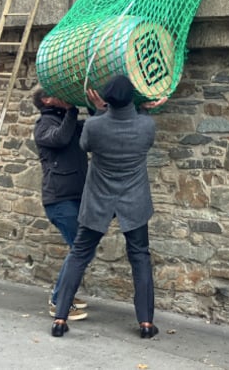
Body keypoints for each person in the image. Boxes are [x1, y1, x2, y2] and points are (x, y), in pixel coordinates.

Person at [50, 75, 168, 339]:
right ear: (132, 99)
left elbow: (85, 145)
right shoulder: (146, 126)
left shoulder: (94, 126)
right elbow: (140, 131)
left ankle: (60, 318)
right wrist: (146, 108)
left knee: (79, 254)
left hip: (98, 198)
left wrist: (98, 111)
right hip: (134, 199)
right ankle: (146, 323)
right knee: (140, 257)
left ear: (105, 99)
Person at [32, 87, 91, 321]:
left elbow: (89, 128)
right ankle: (59, 300)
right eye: (55, 93)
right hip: (59, 200)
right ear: (46, 100)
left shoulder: (64, 119)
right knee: (81, 247)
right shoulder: (43, 125)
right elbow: (61, 138)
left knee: (82, 248)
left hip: (76, 196)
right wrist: (71, 110)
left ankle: (63, 294)